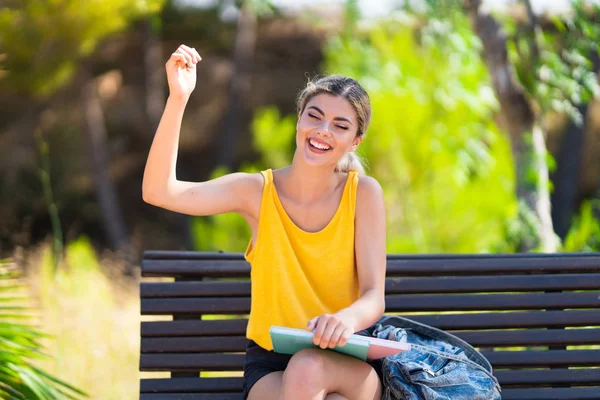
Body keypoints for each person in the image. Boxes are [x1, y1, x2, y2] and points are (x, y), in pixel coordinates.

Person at [142, 44, 387, 400]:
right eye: (314, 116)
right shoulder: (256, 192)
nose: (322, 131)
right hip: (273, 367)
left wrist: (346, 320)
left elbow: (373, 296)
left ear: (355, 141)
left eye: (340, 125)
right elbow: (159, 191)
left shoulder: (363, 194)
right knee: (309, 377)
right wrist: (179, 97)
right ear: (299, 119)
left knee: (310, 368)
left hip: (349, 362)